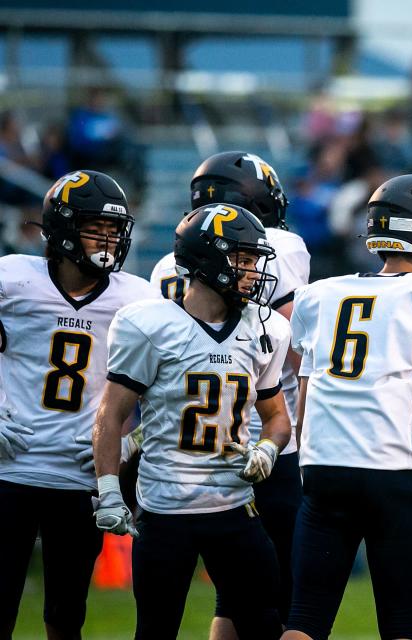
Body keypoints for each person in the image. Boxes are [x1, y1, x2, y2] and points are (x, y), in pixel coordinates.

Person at [282, 174, 412, 640]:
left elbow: (307, 397)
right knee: (404, 623)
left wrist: (311, 468)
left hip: (324, 469)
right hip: (391, 475)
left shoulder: (321, 294)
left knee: (305, 619)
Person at [93, 204, 292, 639]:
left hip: (235, 507)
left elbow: (277, 418)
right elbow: (111, 415)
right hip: (166, 511)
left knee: (264, 624)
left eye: (254, 261)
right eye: (242, 259)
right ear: (207, 259)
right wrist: (109, 490)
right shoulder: (150, 324)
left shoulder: (267, 328)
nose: (253, 271)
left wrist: (268, 449)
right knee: (156, 630)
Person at [150, 150, 310, 634]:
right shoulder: (279, 245)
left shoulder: (166, 263)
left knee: (226, 597)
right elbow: (293, 347)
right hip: (268, 435)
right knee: (272, 595)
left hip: (188, 442)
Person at [0, 170, 154, 639]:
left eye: (114, 230)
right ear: (63, 228)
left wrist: (129, 444)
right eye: (96, 229)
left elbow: (170, 387)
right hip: (9, 468)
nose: (108, 240)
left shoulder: (138, 297)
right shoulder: (12, 278)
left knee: (67, 615)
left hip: (79, 474)